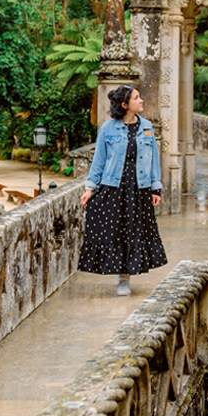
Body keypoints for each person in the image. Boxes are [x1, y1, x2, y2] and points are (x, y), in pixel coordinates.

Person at [78, 84, 167, 296]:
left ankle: (126, 275)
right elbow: (98, 161)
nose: (141, 100)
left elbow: (154, 159)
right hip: (113, 187)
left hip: (139, 188)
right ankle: (120, 275)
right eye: (137, 98)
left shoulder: (147, 127)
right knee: (114, 232)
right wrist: (90, 188)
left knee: (134, 232)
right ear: (125, 104)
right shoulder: (108, 129)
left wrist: (156, 188)